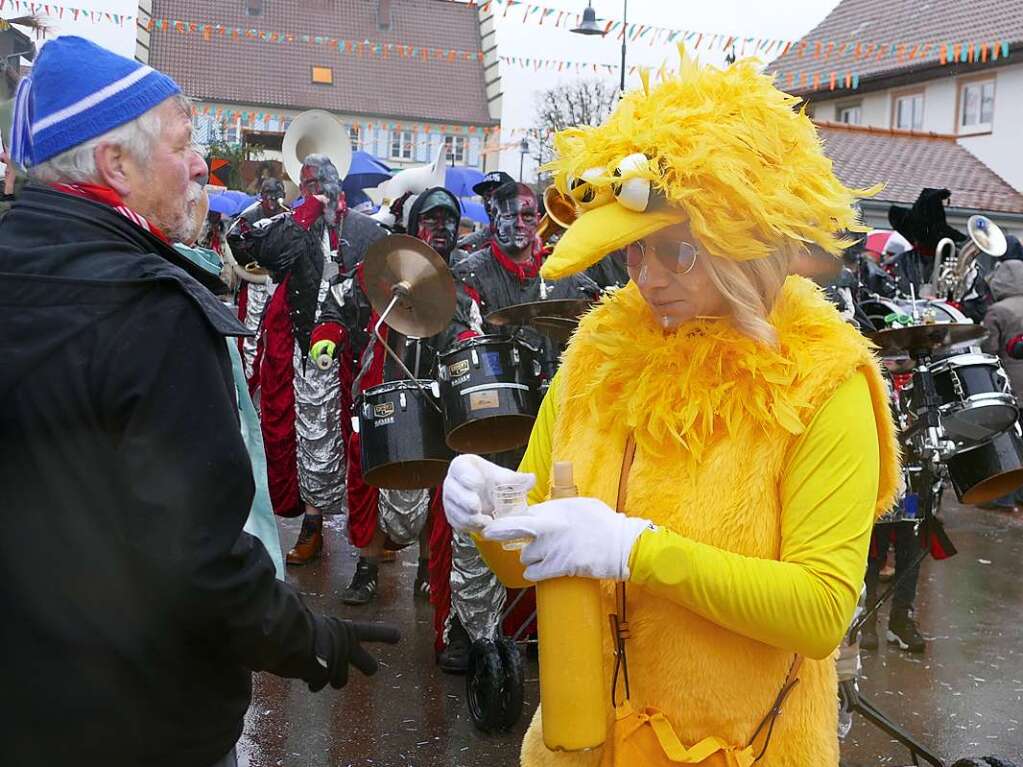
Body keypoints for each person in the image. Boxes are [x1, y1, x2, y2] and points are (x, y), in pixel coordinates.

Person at [443, 48, 900, 766]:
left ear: (744, 245)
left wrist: (636, 549)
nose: (646, 278)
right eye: (632, 252)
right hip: (579, 742)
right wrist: (485, 510)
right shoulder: (596, 349)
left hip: (744, 748)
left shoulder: (824, 382)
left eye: (676, 252)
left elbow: (818, 610)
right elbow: (521, 562)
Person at [0, 37, 398, 767]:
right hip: (142, 724)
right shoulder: (149, 312)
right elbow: (200, 567)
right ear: (114, 165)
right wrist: (313, 640)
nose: (200, 165)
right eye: (184, 145)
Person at [245, 154, 387, 566]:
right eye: (305, 181)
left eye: (320, 180)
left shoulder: (366, 230)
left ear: (338, 181)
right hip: (307, 350)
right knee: (312, 439)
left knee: (362, 442)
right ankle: (313, 527)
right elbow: (263, 251)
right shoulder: (295, 225)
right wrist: (305, 212)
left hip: (357, 353)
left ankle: (372, 542)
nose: (314, 187)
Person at [227, 177, 289, 395]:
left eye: (276, 197)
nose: (272, 203)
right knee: (250, 337)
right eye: (268, 197)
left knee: (274, 336)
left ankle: (265, 385)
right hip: (255, 281)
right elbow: (233, 238)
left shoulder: (286, 214)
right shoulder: (249, 216)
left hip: (277, 282)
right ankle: (244, 386)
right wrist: (251, 257)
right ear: (262, 197)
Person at [456, 169, 513, 254]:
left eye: (497, 197)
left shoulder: (531, 240)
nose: (490, 202)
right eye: (486, 197)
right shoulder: (468, 244)